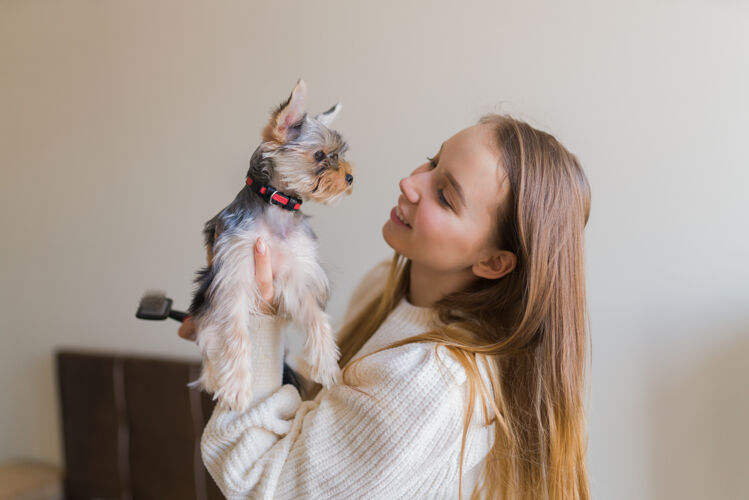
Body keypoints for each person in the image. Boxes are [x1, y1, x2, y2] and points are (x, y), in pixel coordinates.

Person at [178, 113, 592, 499]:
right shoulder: (385, 288)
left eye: (445, 196)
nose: (410, 184)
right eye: (431, 162)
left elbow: (261, 482)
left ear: (493, 262)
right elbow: (313, 420)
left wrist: (254, 325)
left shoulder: (434, 383)